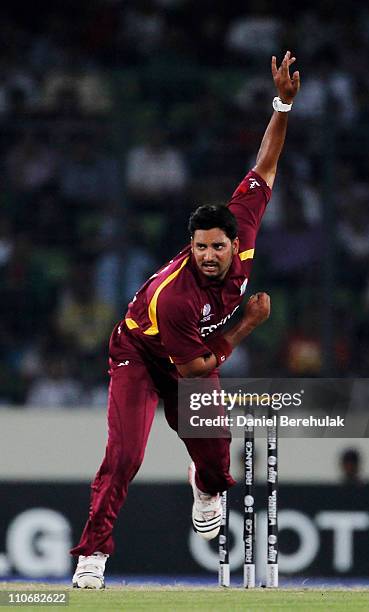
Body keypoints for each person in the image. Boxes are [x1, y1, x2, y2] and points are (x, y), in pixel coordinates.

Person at [71, 50, 300, 589]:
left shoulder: (243, 222)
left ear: (233, 240)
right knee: (123, 457)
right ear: (190, 246)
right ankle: (92, 556)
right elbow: (194, 370)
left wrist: (282, 105)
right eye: (200, 248)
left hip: (195, 352)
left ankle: (204, 484)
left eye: (218, 247)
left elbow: (265, 164)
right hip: (142, 354)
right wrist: (247, 323)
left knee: (220, 466)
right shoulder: (171, 298)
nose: (210, 257)